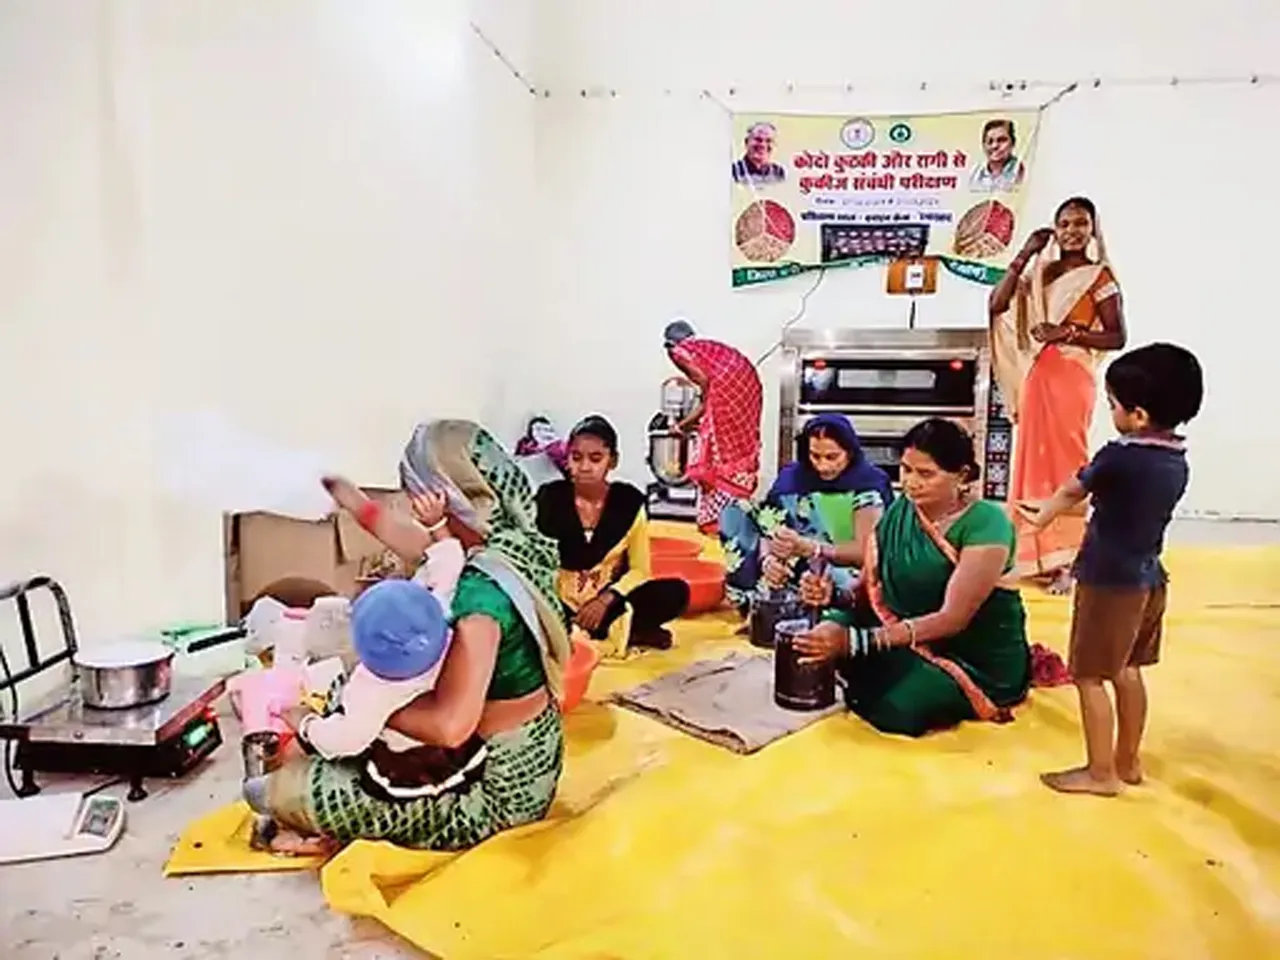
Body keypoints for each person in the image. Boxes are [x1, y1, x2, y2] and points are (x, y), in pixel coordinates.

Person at [252, 420, 571, 855]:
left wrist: (365, 707)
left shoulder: (480, 601)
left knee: (285, 791)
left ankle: (331, 836)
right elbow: (411, 539)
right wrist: (350, 498)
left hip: (498, 788)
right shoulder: (511, 543)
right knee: (340, 747)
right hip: (514, 748)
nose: (413, 515)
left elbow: (450, 726)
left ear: (450, 501)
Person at [1018, 344, 1203, 796]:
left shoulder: (1119, 455)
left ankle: (1101, 773)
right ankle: (1128, 761)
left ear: (1137, 414)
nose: (1110, 412)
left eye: (1112, 404)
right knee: (1128, 669)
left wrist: (1038, 517)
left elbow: (1070, 489)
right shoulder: (1175, 459)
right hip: (1149, 577)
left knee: (1089, 675)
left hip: (1109, 582)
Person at [794, 418, 1031, 737]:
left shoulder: (986, 524)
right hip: (903, 630)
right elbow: (870, 589)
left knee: (896, 710)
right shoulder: (902, 510)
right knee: (815, 647)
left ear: (961, 475)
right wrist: (833, 596)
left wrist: (856, 642)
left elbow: (953, 619)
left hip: (971, 658)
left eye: (926, 474)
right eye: (905, 469)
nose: (910, 483)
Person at [988, 196, 1127, 592]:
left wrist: (1066, 333)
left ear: (1092, 229)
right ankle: (1032, 558)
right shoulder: (1042, 273)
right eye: (1064, 224)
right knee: (1031, 463)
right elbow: (998, 304)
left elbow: (1117, 336)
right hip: (1037, 376)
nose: (1071, 231)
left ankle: (1070, 561)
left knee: (1068, 464)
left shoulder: (1098, 278)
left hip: (1071, 376)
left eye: (1080, 223)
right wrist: (1026, 252)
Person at [536, 415, 690, 656]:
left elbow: (640, 569)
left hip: (609, 603)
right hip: (557, 602)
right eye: (576, 458)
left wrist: (604, 600)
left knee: (675, 592)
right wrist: (557, 601)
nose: (585, 467)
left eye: (595, 458)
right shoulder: (549, 500)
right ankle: (625, 632)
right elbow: (534, 562)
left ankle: (612, 629)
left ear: (612, 461)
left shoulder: (628, 503)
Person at [719, 413, 893, 609]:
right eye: (815, 456)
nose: (823, 466)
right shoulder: (791, 479)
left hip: (838, 567)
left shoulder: (868, 485)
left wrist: (813, 548)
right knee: (735, 511)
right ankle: (755, 597)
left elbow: (867, 552)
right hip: (792, 564)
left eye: (832, 457)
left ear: (850, 453)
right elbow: (770, 527)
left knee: (844, 585)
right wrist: (767, 560)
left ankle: (805, 600)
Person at [662, 319, 764, 534]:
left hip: (727, 386)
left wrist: (683, 424)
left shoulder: (678, 352)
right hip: (747, 380)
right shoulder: (705, 349)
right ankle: (737, 511)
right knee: (735, 445)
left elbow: (705, 384)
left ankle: (717, 522)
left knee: (715, 449)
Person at [969, 118, 1026, 193]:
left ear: (1013, 143)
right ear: (983, 146)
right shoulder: (975, 173)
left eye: (1001, 140)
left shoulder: (1021, 171)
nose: (995, 146)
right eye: (990, 141)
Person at [731, 122, 786, 186]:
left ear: (775, 146)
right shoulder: (733, 171)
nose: (763, 145)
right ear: (746, 142)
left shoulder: (779, 173)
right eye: (758, 139)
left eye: (768, 141)